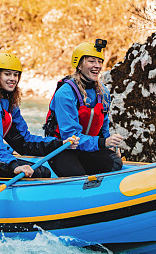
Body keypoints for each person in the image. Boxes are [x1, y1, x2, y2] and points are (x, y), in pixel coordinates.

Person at [0, 53, 75, 179]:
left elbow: (24, 141)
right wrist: (13, 165)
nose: (13, 78)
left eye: (16, 74)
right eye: (7, 74)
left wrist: (58, 143)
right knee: (37, 173)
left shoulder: (9, 102)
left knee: (43, 172)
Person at [43, 39, 125, 176]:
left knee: (115, 162)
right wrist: (103, 142)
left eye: (99, 61)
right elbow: (70, 136)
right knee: (78, 177)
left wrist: (109, 144)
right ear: (79, 65)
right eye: (91, 61)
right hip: (64, 149)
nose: (97, 66)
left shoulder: (103, 92)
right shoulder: (65, 94)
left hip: (89, 149)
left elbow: (103, 127)